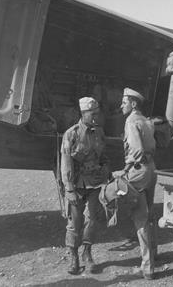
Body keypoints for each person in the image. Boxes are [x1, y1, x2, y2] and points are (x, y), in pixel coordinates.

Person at [112, 87, 157, 280]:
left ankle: (147, 268)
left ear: (133, 104)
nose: (121, 105)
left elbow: (136, 150)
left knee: (139, 217)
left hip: (138, 170)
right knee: (149, 214)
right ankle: (154, 255)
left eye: (124, 102)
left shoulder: (131, 121)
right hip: (151, 169)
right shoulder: (146, 120)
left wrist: (125, 169)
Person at [61, 97, 109, 275]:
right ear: (83, 114)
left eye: (97, 113)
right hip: (77, 184)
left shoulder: (99, 132)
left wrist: (106, 171)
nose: (96, 117)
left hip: (95, 184)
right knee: (75, 222)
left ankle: (87, 253)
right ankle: (73, 254)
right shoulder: (71, 134)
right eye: (92, 114)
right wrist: (69, 189)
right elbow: (65, 163)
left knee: (93, 219)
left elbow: (104, 156)